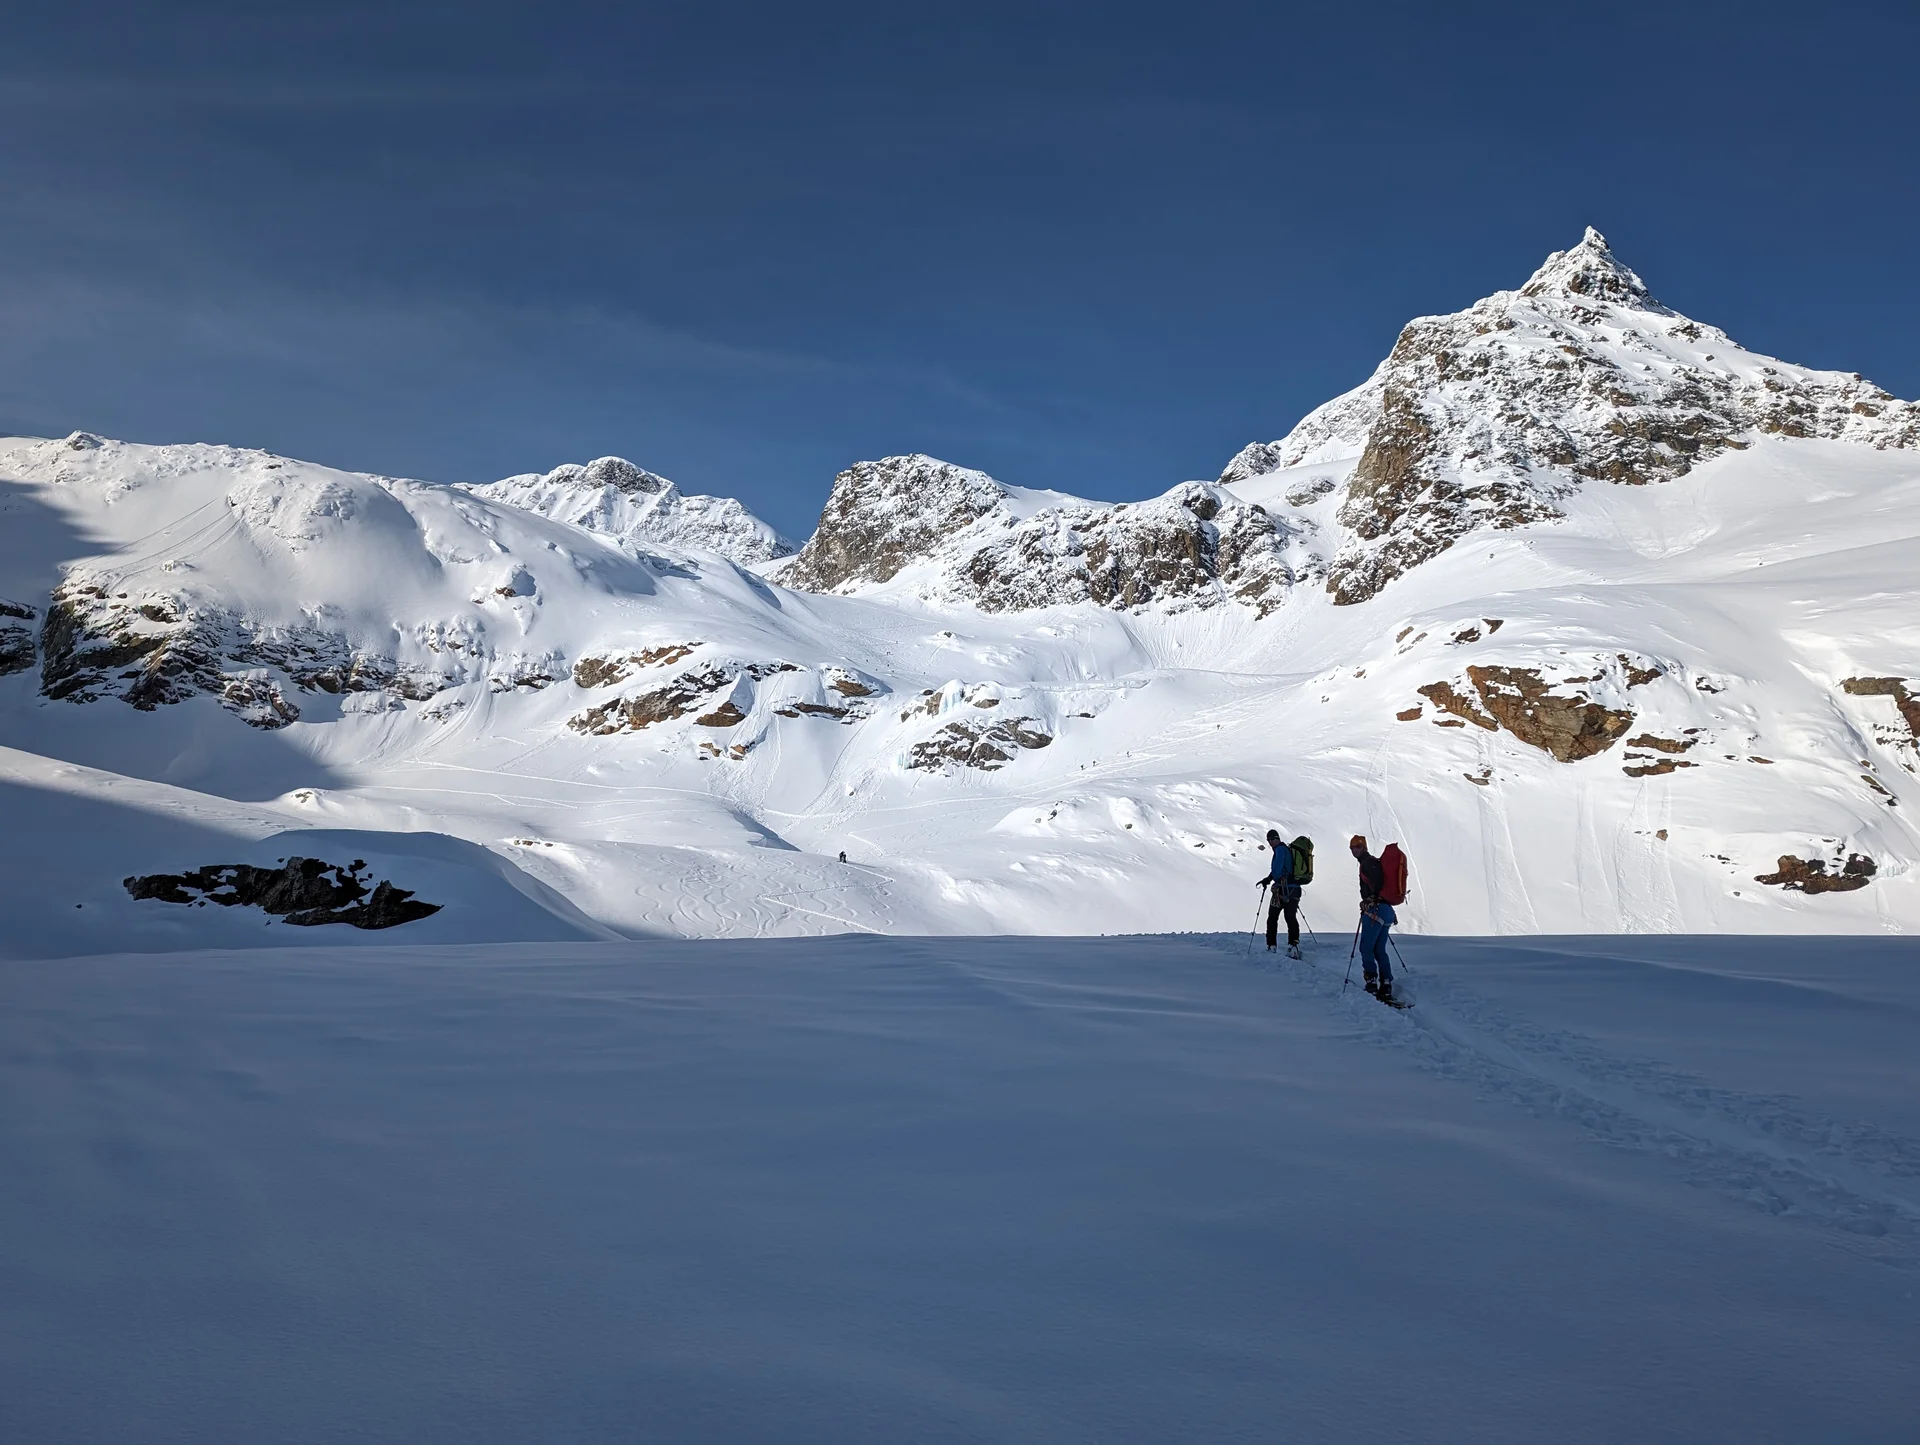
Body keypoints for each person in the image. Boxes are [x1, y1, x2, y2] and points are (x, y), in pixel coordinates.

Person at [1349, 835, 1396, 999]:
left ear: (1364, 847)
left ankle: (1372, 982)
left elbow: (1378, 882)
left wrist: (1370, 899)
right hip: (1386, 911)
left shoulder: (1368, 863)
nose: (1354, 850)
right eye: (1352, 847)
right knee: (1379, 949)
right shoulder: (1371, 862)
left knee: (1366, 948)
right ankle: (1386, 983)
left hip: (1375, 910)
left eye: (1357, 846)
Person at [1257, 829, 1303, 959]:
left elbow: (1277, 870)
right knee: (1290, 916)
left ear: (1277, 838)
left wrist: (1270, 879)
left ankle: (1271, 946)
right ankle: (1293, 945)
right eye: (1269, 840)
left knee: (1272, 917)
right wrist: (1270, 878)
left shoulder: (1280, 850)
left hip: (1282, 889)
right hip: (1294, 889)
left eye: (1272, 839)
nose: (1271, 842)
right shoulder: (1285, 849)